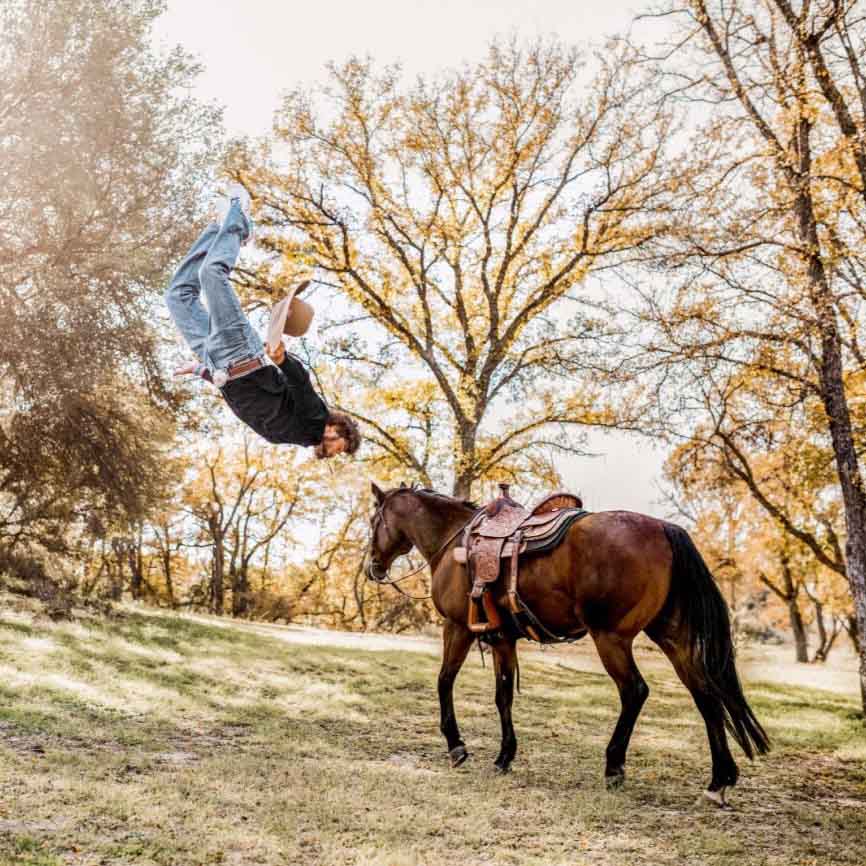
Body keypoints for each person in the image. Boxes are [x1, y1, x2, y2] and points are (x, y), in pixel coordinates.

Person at [164, 184, 361, 460]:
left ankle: (217, 229)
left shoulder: (293, 435)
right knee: (212, 274)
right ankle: (240, 221)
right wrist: (282, 360)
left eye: (339, 451)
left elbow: (247, 399)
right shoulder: (315, 419)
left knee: (177, 295)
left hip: (216, 362)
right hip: (239, 351)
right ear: (338, 428)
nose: (335, 450)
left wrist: (201, 371)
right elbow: (301, 383)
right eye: (341, 445)